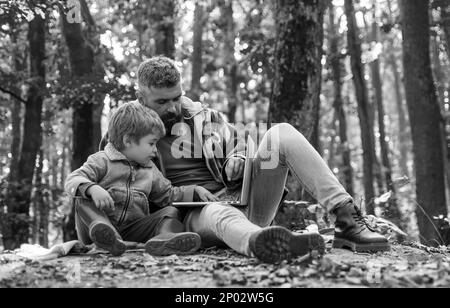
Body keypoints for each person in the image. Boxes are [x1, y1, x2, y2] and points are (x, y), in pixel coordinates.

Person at [100, 56, 390, 263]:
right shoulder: (125, 133)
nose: (173, 108)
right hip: (188, 218)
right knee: (215, 211)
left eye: (177, 97)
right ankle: (265, 245)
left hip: (243, 201)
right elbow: (113, 185)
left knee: (281, 134)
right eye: (162, 102)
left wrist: (236, 158)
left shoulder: (204, 118)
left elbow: (238, 143)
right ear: (141, 97)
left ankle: (346, 219)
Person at [65, 103, 218, 257]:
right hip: (96, 227)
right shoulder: (101, 160)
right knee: (82, 198)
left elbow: (168, 195)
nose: (156, 150)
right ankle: (107, 238)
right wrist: (92, 189)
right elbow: (73, 179)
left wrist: (194, 191)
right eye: (151, 143)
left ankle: (165, 239)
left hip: (133, 229)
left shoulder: (150, 169)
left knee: (170, 211)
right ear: (128, 141)